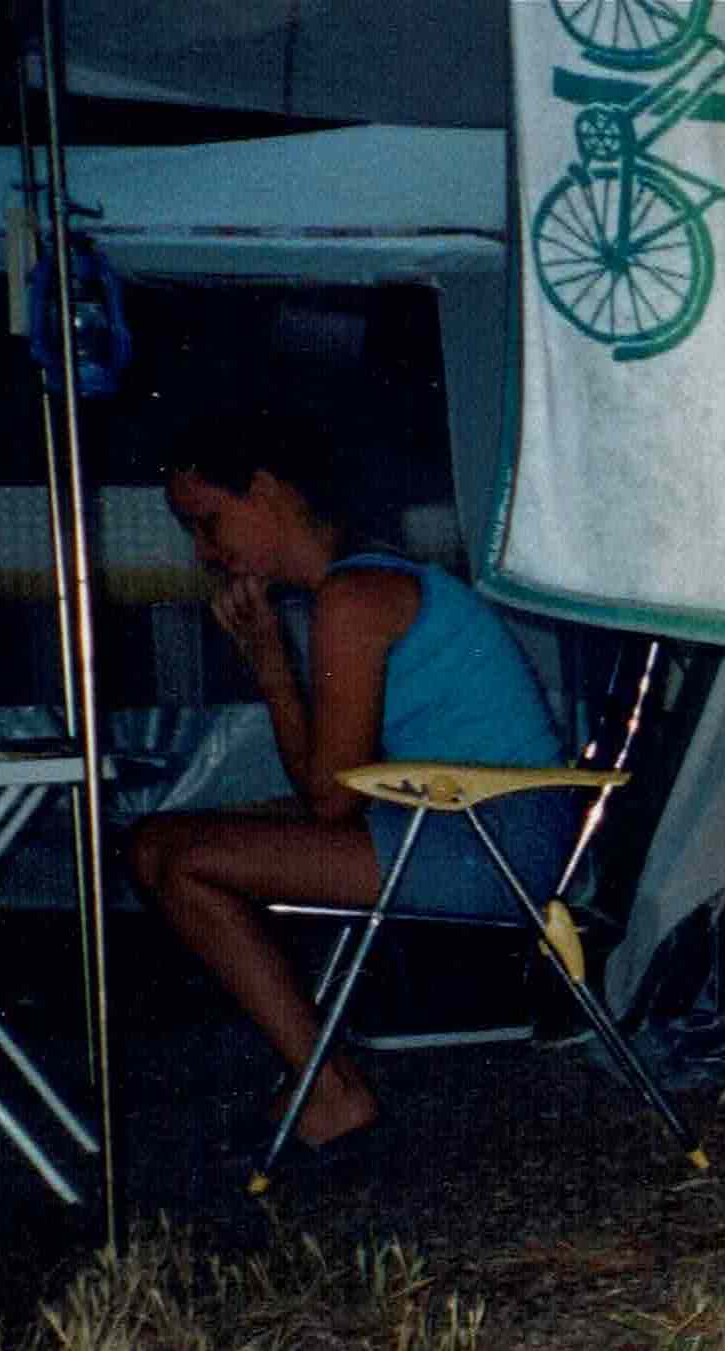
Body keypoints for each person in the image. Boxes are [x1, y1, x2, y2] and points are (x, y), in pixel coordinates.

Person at [127, 413, 573, 1153]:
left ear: (265, 490)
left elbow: (329, 802)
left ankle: (328, 1089)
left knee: (168, 852)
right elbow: (329, 793)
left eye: (207, 523)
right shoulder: (363, 582)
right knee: (164, 842)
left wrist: (272, 668)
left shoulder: (356, 597)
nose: (205, 552)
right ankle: (322, 1080)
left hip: (493, 843)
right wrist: (270, 662)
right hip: (464, 822)